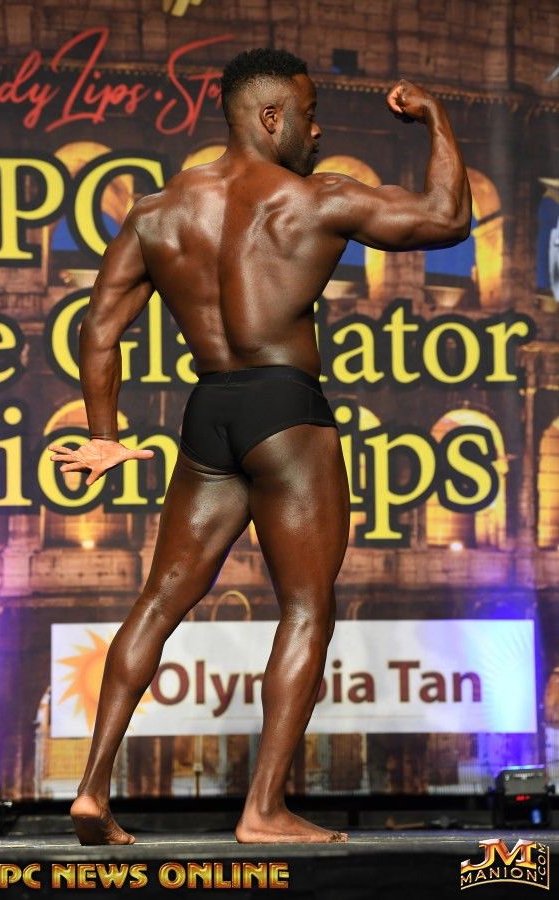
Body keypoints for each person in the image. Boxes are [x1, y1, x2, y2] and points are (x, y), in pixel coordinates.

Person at [50, 48, 471, 845]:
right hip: (285, 412)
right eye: (309, 116)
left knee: (158, 600)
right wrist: (438, 118)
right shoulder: (313, 199)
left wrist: (104, 435)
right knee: (308, 606)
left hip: (209, 414)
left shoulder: (158, 210)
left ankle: (93, 790)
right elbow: (447, 218)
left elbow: (99, 327)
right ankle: (264, 809)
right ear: (271, 116)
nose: (317, 131)